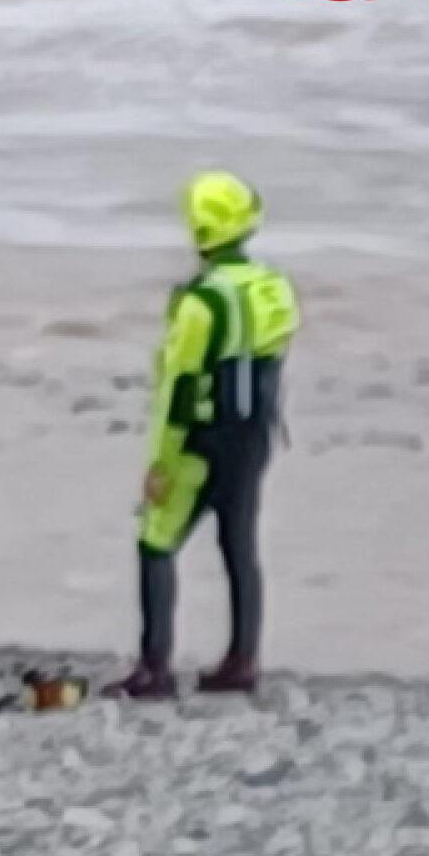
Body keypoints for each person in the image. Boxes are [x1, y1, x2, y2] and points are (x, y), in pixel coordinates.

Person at [107, 171, 300, 700]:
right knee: (240, 545)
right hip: (255, 436)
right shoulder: (273, 287)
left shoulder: (201, 302)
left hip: (202, 441)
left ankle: (155, 668)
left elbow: (179, 386)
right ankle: (243, 660)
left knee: (156, 542)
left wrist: (161, 464)